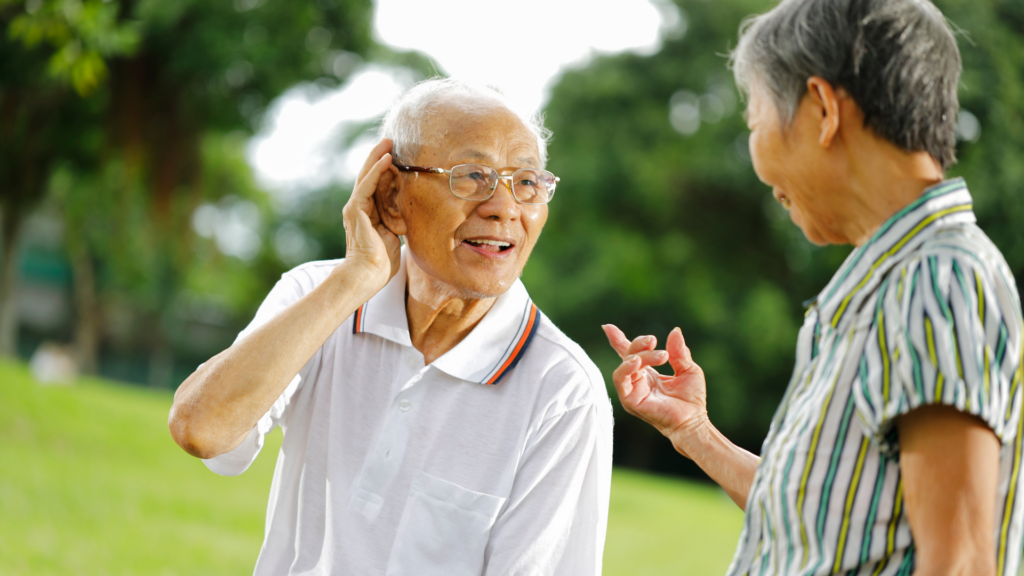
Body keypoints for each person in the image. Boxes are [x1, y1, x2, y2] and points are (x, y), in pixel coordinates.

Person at [603, 0, 1024, 574]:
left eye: (754, 123)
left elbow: (962, 562)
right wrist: (696, 432)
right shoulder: (892, 282)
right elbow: (822, 527)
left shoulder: (934, 280)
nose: (758, 163)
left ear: (823, 110)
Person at [169, 78, 613, 575]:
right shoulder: (317, 297)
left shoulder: (563, 391)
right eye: (471, 176)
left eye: (527, 183)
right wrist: (354, 278)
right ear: (393, 194)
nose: (505, 207)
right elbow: (201, 429)